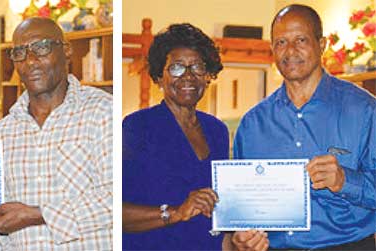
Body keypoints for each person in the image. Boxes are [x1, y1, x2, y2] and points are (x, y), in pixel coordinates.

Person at [0, 17, 112, 250]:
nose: (30, 61)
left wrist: (39, 214)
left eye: (41, 48)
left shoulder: (101, 112)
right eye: (19, 52)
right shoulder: (1, 133)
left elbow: (115, 199)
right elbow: (2, 229)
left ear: (66, 51)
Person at [227, 4, 376, 250]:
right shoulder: (252, 124)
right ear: (272, 49)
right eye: (281, 42)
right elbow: (242, 207)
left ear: (322, 44)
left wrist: (344, 180)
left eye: (301, 40)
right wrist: (241, 237)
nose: (290, 51)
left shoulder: (364, 110)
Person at [122, 23, 227, 250]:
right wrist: (176, 212)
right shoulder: (137, 127)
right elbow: (114, 211)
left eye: (197, 67)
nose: (188, 76)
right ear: (159, 77)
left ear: (208, 76)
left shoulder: (217, 130)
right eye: (177, 68)